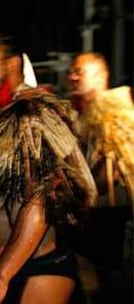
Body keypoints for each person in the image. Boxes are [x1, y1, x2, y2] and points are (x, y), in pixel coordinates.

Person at [0, 31, 98, 304]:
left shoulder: (32, 115)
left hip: (38, 270)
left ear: (11, 63)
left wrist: (1, 276)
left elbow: (39, 201)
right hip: (4, 270)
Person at [67, 52, 134, 304]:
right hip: (98, 218)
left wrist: (80, 198)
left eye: (80, 72)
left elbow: (114, 168)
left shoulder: (112, 112)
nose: (72, 77)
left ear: (101, 76)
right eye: (71, 71)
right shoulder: (81, 116)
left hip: (113, 219)